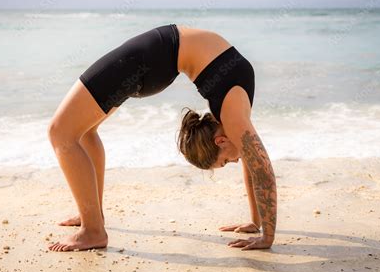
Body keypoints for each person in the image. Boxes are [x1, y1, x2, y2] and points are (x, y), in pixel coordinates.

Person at [47, 24, 277, 252]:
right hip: (149, 59)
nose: (235, 162)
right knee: (66, 131)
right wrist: (265, 235)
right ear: (221, 141)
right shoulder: (233, 117)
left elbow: (254, 163)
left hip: (155, 59)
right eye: (225, 161)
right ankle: (93, 223)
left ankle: (92, 224)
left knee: (73, 131)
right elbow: (262, 169)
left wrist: (258, 225)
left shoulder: (231, 117)